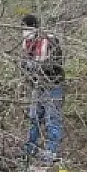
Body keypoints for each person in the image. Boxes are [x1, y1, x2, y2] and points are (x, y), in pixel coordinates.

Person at [20, 13, 65, 164]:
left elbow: (56, 64)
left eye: (26, 28)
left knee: (52, 118)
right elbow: (23, 63)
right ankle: (30, 147)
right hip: (37, 86)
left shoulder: (49, 41)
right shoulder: (26, 43)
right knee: (34, 118)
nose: (24, 32)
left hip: (53, 84)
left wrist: (39, 67)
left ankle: (52, 151)